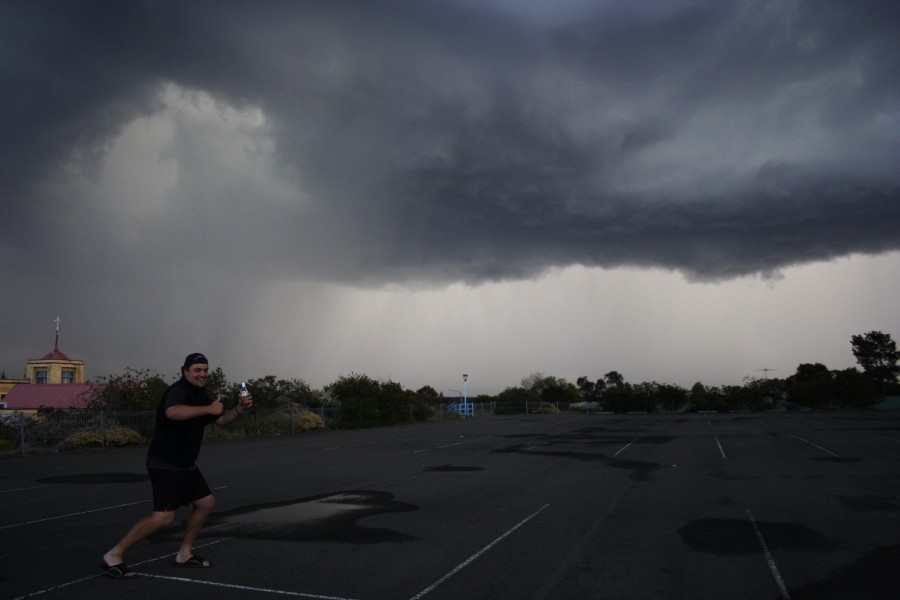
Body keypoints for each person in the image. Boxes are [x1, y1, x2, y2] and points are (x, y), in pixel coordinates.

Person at [99, 353, 252, 579]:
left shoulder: (201, 395)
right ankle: (114, 554)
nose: (202, 374)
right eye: (197, 370)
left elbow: (221, 420)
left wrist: (239, 409)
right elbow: (173, 412)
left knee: (206, 502)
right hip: (165, 463)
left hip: (186, 464)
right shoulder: (179, 391)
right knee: (163, 518)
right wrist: (207, 409)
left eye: (205, 370)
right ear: (185, 371)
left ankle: (184, 553)